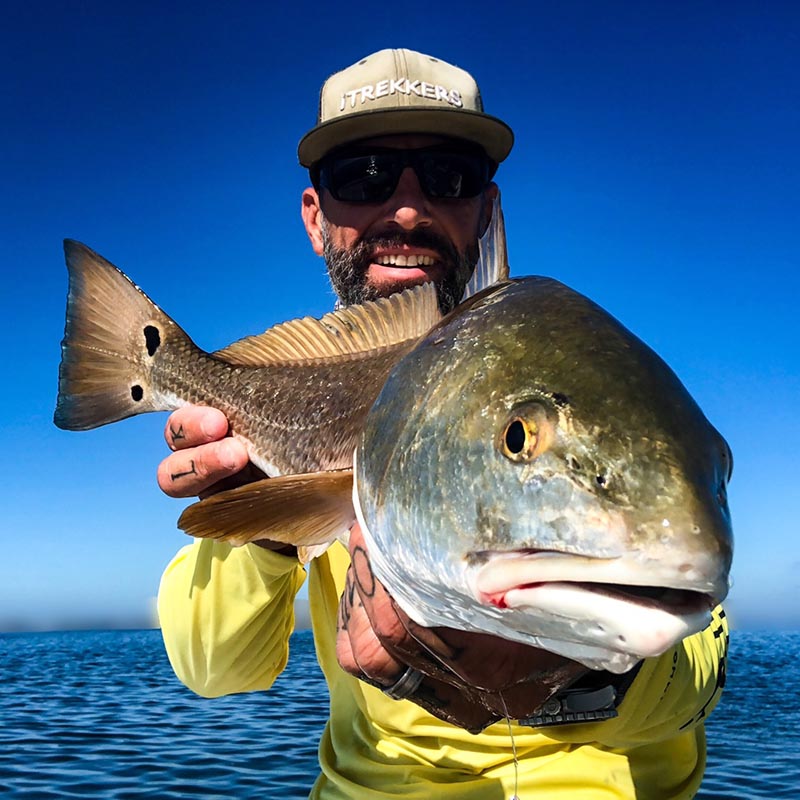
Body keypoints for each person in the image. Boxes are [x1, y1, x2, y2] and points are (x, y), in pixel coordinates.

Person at [156, 49, 728, 799]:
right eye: (361, 178)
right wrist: (268, 521)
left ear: (486, 208)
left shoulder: (603, 389)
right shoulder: (281, 403)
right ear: (314, 215)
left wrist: (581, 675)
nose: (404, 210)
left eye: (447, 176)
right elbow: (215, 670)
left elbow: (701, 663)